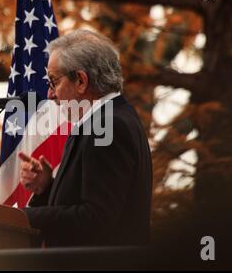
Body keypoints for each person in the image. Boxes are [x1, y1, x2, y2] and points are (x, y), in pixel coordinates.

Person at [19, 29, 152, 247]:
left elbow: (97, 218)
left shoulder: (109, 126)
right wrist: (48, 187)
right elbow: (94, 201)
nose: (50, 94)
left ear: (80, 80)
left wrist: (24, 217)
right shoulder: (107, 120)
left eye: (54, 81)